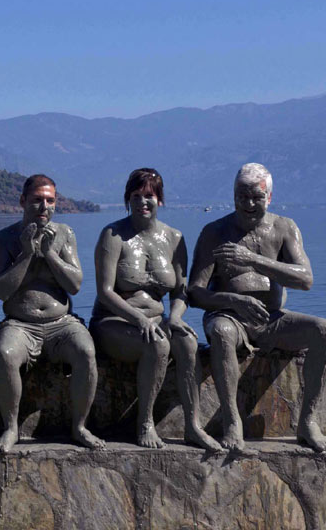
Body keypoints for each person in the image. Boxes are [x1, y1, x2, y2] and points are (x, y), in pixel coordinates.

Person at [188, 163, 326, 452]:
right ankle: (232, 420)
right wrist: (233, 300)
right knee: (220, 331)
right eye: (242, 196)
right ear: (233, 196)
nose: (249, 204)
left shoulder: (284, 228)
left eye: (256, 197)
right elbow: (195, 292)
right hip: (229, 317)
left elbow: (305, 280)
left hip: (271, 320)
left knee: (325, 330)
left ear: (269, 197)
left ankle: (307, 420)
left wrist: (254, 260)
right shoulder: (215, 232)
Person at [89, 169, 221, 451]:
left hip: (156, 320)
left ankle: (193, 426)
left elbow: (180, 290)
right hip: (113, 322)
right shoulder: (113, 236)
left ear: (159, 199)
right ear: (128, 199)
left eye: (149, 195)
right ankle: (145, 422)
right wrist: (137, 318)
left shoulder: (174, 238)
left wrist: (174, 316)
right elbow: (105, 291)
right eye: (136, 196)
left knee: (187, 342)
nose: (142, 202)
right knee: (158, 344)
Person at [0, 174, 104, 454]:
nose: (44, 206)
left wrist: (50, 254)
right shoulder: (4, 238)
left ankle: (79, 426)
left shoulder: (65, 234)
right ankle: (11, 427)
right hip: (20, 324)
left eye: (50, 200)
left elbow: (75, 285)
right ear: (23, 201)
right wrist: (27, 254)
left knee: (86, 352)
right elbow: (2, 291)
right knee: (5, 354)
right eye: (37, 200)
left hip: (60, 324)